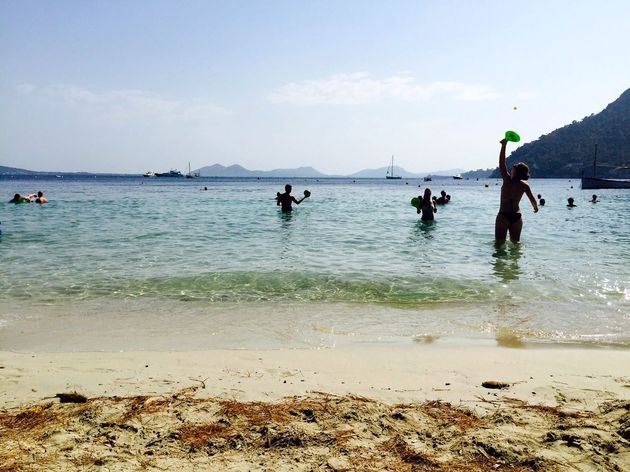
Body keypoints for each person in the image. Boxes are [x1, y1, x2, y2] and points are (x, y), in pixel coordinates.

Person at [495, 139, 538, 244]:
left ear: (516, 172)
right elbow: (532, 199)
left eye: (513, 169)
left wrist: (503, 146)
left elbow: (502, 163)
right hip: (516, 217)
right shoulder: (524, 185)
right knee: (516, 243)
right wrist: (535, 208)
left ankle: (501, 261)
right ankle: (515, 261)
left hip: (503, 215)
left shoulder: (507, 180)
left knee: (499, 244)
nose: (511, 170)